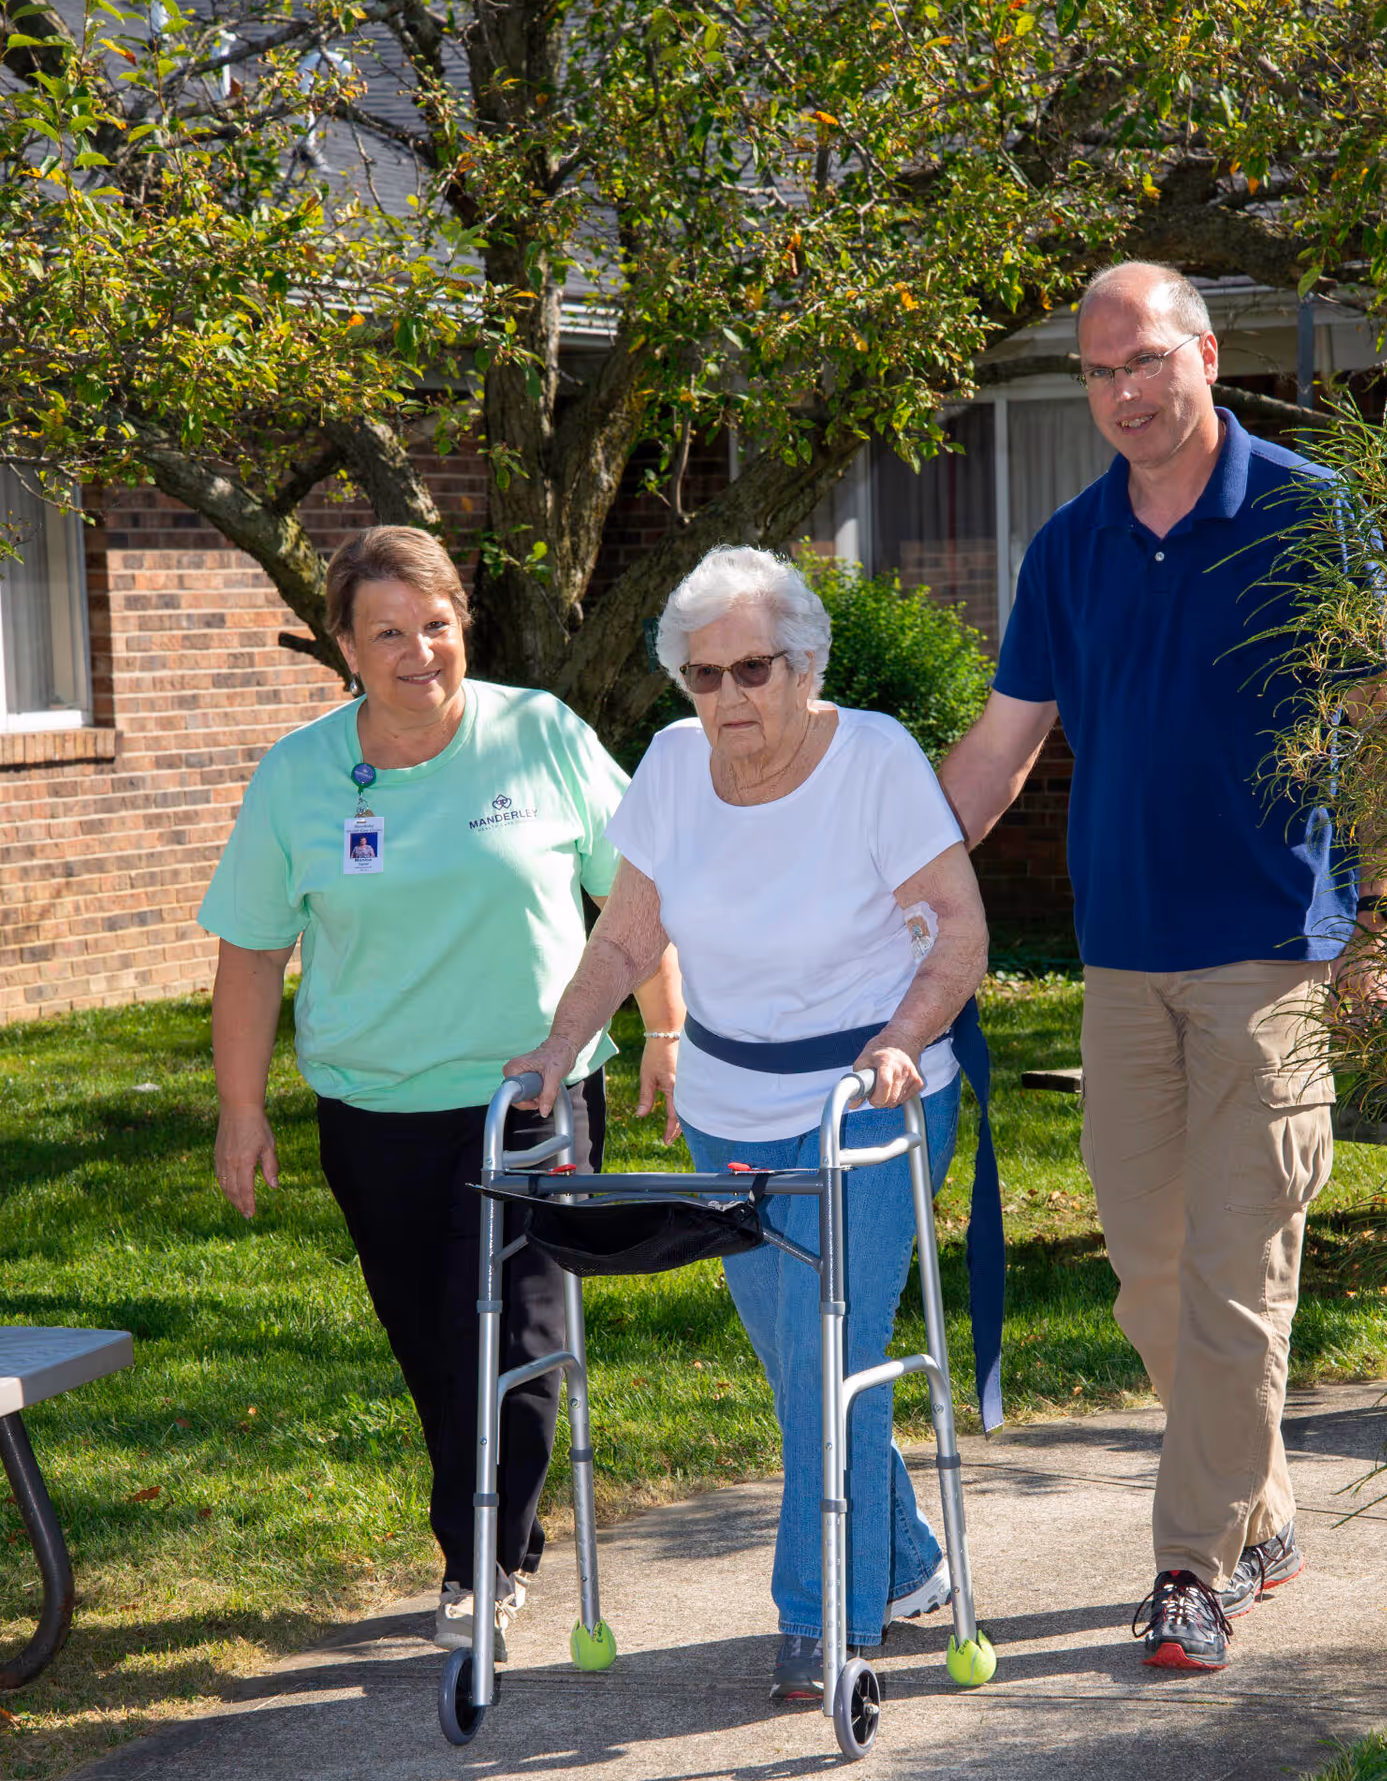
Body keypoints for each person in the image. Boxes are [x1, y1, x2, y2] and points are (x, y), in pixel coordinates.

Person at [940, 261, 1387, 1674]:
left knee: (1238, 1276)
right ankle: (1260, 1507)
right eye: (1098, 372)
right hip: (1121, 957)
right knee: (1151, 1268)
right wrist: (884, 866)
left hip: (1273, 955)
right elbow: (1004, 749)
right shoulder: (1071, 546)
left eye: (1146, 361)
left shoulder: (1313, 515)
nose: (1124, 393)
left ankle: (1188, 1569)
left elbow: (1384, 726)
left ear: (1205, 354)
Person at [506, 544, 990, 1701]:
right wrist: (557, 1046)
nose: (729, 699)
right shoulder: (674, 767)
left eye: (753, 670)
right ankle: (908, 1562)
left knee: (830, 1359)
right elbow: (628, 937)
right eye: (703, 675)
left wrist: (897, 1042)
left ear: (805, 667)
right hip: (729, 1106)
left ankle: (821, 1621)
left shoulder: (871, 760)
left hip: (867, 1104)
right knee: (799, 1375)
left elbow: (957, 931)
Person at [200, 525, 684, 1661]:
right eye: (389, 633)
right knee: (430, 1341)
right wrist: (242, 1106)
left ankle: (482, 1563)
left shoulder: (540, 734)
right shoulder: (299, 777)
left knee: (514, 1330)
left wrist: (664, 1023)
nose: (421, 651)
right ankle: (492, 1533)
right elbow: (252, 954)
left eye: (437, 624)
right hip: (374, 1108)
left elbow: (633, 890)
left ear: (462, 622)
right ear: (346, 650)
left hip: (532, 1091)